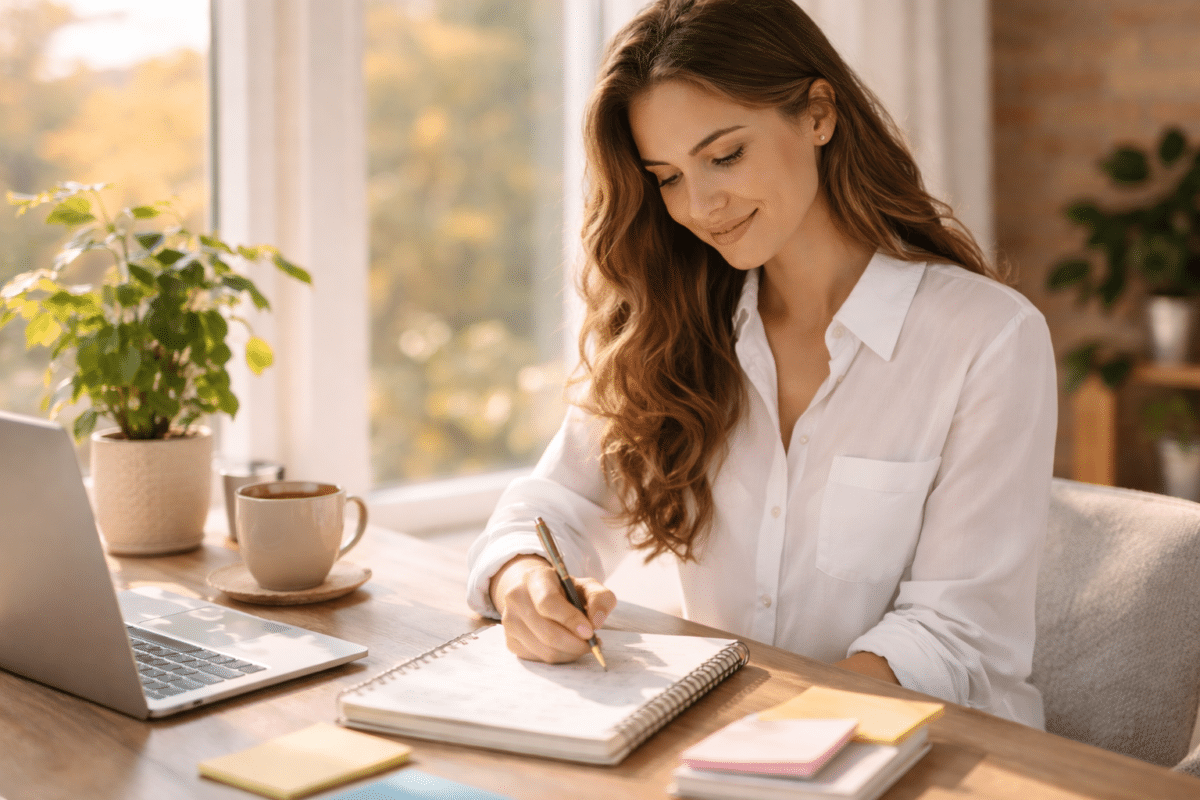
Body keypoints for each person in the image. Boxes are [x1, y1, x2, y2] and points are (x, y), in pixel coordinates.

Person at [465, 0, 1056, 728]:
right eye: (667, 176)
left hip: (947, 756)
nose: (700, 204)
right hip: (736, 748)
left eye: (724, 156)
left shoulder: (988, 339)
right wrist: (523, 578)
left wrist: (771, 731)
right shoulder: (670, 329)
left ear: (817, 114)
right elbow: (556, 505)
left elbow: (957, 634)